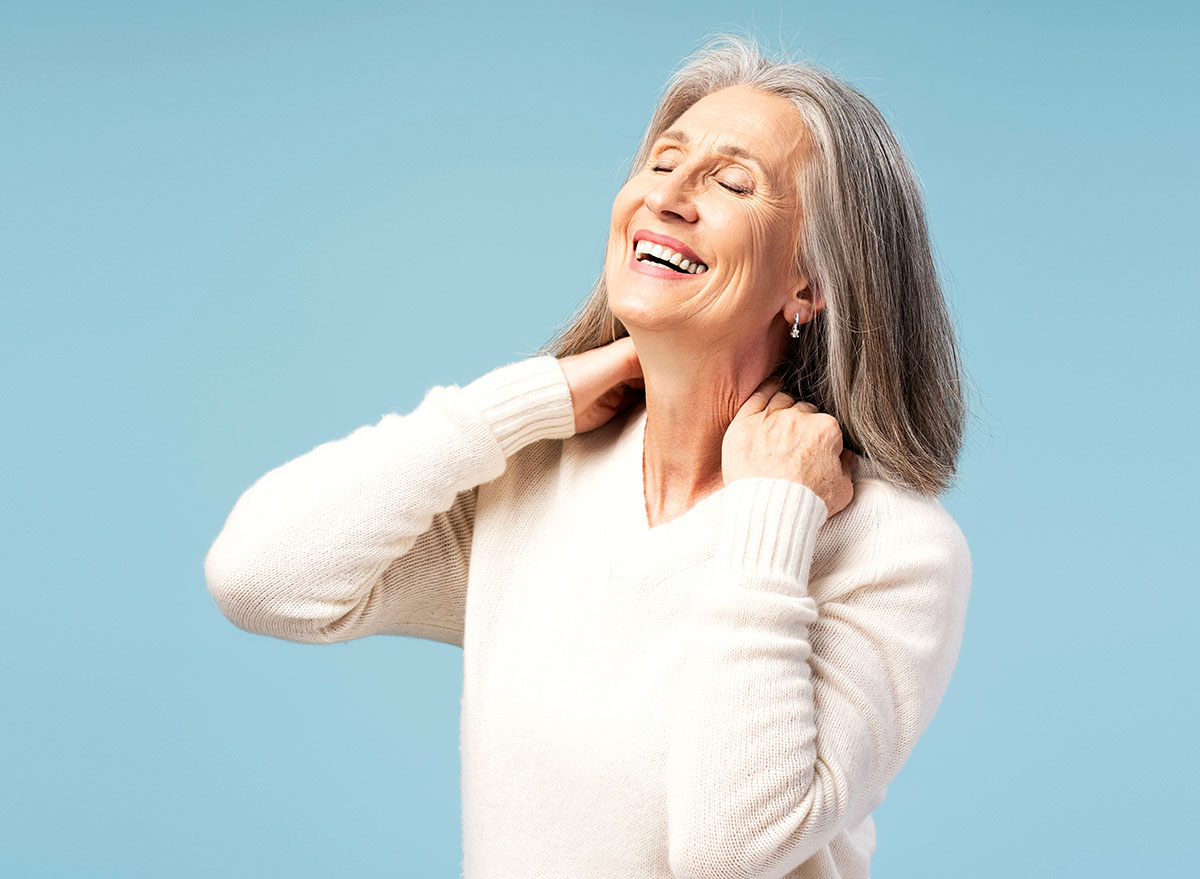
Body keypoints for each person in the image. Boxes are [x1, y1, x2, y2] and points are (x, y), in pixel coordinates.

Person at [204, 33, 973, 879]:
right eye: (661, 163)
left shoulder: (892, 547)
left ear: (811, 281)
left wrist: (771, 519)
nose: (669, 197)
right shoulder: (536, 477)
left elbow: (731, 847)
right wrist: (515, 406)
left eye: (731, 181)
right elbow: (260, 576)